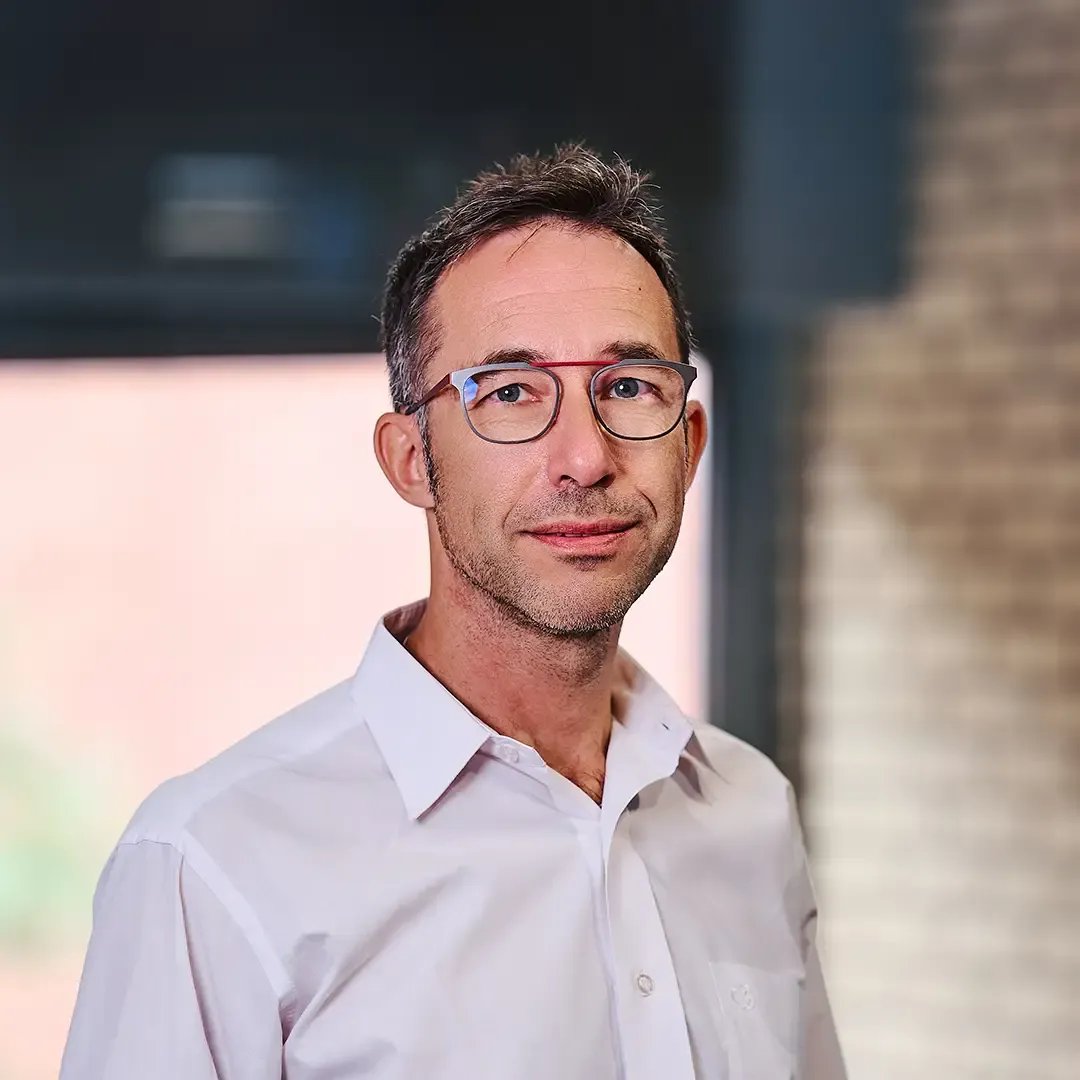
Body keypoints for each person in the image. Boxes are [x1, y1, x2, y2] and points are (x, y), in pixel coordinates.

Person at [60, 145, 845, 1080]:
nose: (586, 458)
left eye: (629, 386)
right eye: (512, 393)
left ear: (691, 440)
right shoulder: (211, 865)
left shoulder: (749, 813)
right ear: (410, 460)